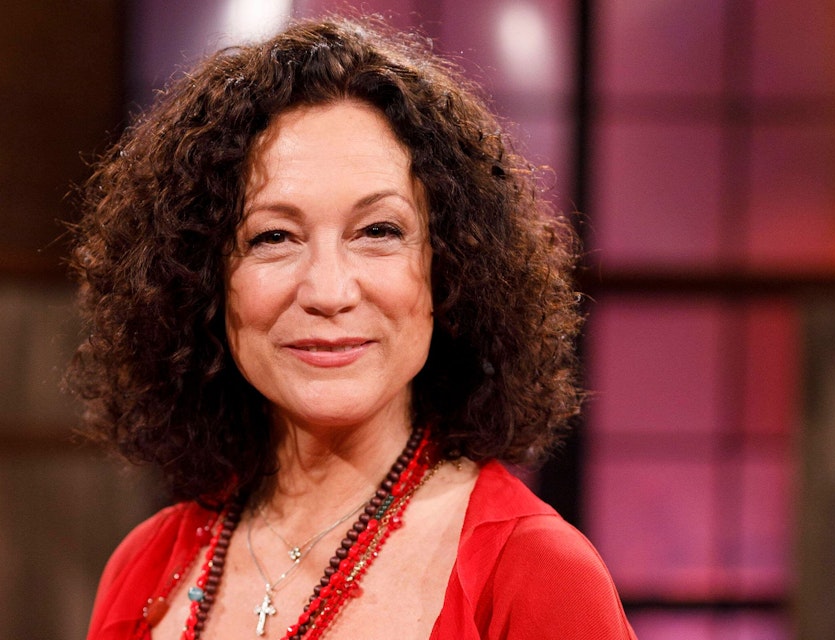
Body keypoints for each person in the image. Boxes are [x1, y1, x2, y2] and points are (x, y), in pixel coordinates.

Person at [68, 16, 635, 640]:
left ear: (450, 268)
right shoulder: (144, 568)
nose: (329, 292)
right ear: (201, 277)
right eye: (273, 237)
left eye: (378, 231)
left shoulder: (538, 574)